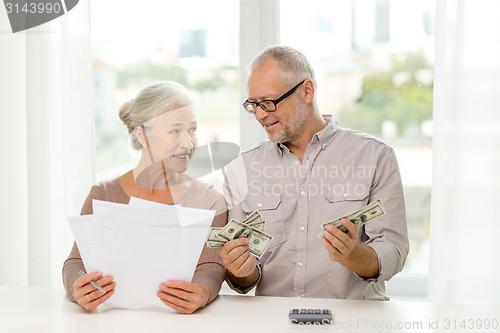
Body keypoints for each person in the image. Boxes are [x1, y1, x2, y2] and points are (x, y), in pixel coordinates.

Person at [220, 45, 409, 300]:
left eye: (268, 103)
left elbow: (394, 252)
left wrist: (354, 255)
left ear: (306, 91)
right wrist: (239, 270)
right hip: (273, 321)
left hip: (351, 321)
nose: (261, 115)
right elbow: (247, 278)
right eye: (253, 105)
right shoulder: (242, 168)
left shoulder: (375, 156)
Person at [62, 81, 227, 313]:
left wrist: (204, 291)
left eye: (192, 129)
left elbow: (211, 264)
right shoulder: (103, 195)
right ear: (141, 134)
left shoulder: (210, 199)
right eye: (175, 131)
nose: (189, 143)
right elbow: (75, 262)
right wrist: (76, 287)